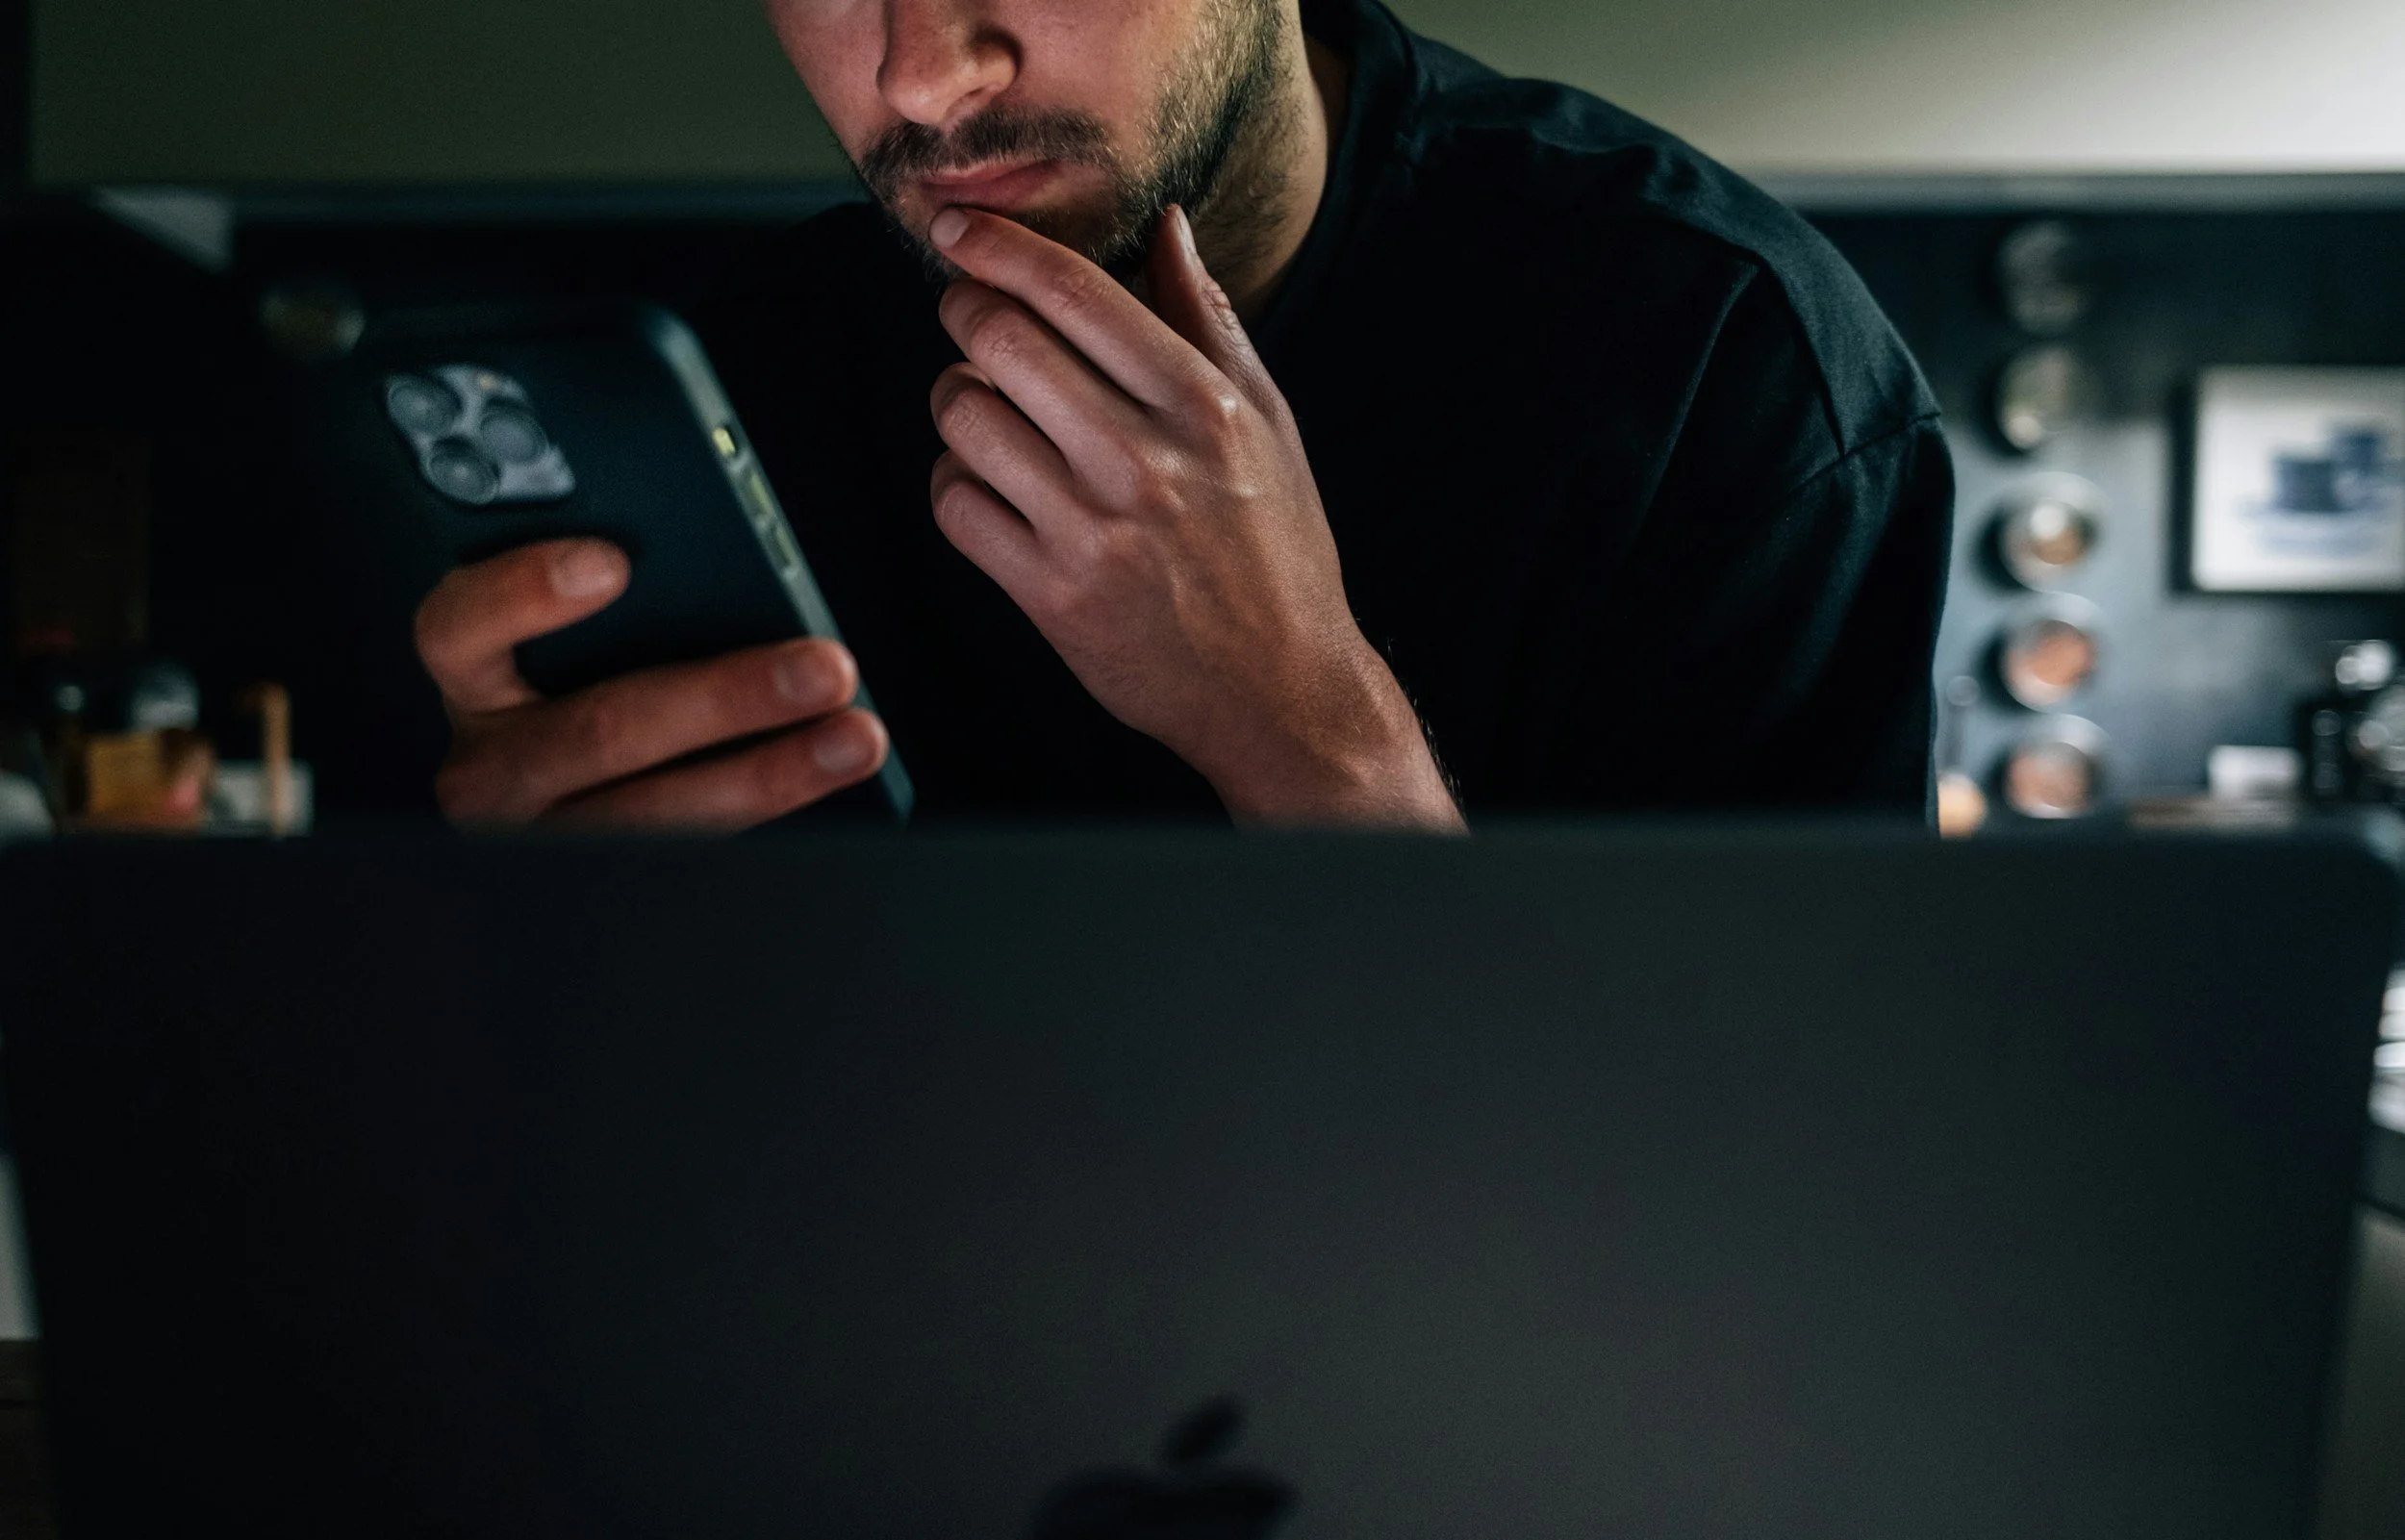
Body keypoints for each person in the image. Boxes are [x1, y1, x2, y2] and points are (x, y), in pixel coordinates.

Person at [412, 0, 1952, 832]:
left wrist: (1311, 741)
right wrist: (518, 938)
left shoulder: (1733, 375)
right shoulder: (730, 389)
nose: (924, 75)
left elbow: (1768, 1221)